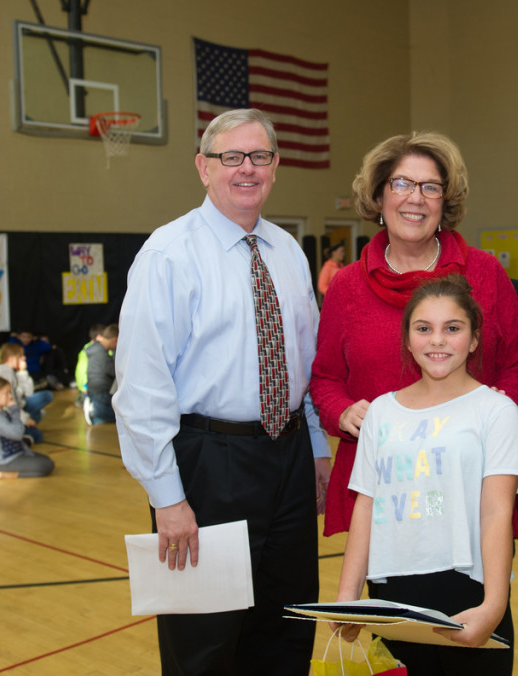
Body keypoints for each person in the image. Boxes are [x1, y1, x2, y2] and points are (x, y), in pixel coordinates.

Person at [113, 108, 330, 675]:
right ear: (203, 167)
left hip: (286, 459)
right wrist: (167, 497)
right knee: (203, 647)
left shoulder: (287, 252)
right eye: (230, 157)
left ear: (276, 166)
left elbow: (302, 363)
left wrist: (317, 449)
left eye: (259, 156)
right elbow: (140, 388)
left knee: (286, 631)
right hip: (207, 465)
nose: (246, 169)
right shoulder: (168, 254)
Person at [310, 131, 518, 541]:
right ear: (379, 197)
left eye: (430, 187)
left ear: (444, 202)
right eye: (401, 183)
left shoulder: (484, 273)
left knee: (478, 603)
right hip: (386, 491)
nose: (415, 198)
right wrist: (342, 412)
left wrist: (501, 418)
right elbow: (325, 379)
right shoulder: (347, 287)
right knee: (395, 603)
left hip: (471, 484)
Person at [333, 276, 518, 674]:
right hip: (391, 595)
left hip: (468, 594)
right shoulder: (382, 413)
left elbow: (496, 513)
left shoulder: (496, 411)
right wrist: (347, 596)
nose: (437, 340)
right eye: (424, 328)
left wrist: (494, 605)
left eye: (452, 328)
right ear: (407, 339)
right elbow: (367, 508)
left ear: (474, 339)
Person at [0, 376, 54, 479]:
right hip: (6, 460)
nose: (10, 396)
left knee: (47, 461)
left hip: (16, 455)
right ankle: (6, 473)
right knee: (47, 466)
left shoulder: (1, 411)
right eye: (6, 393)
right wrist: (14, 411)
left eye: (10, 393)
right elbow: (17, 434)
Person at [0, 343, 45, 445]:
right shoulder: (4, 372)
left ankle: (24, 432)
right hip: (6, 414)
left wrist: (22, 372)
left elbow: (28, 393)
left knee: (40, 413)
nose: (24, 358)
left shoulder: (10, 371)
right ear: (12, 358)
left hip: (17, 408)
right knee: (38, 435)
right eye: (21, 356)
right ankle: (22, 435)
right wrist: (25, 418)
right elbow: (9, 401)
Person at [83, 323, 118, 425]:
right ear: (114, 340)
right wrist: (116, 353)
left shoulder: (96, 349)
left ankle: (96, 409)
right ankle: (94, 411)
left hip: (95, 388)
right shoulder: (101, 352)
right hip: (102, 390)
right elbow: (113, 371)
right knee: (119, 417)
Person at [74, 323, 106, 407]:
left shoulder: (105, 349)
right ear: (99, 337)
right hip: (90, 388)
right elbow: (81, 371)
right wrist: (85, 388)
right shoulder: (86, 352)